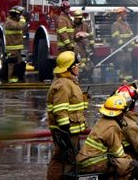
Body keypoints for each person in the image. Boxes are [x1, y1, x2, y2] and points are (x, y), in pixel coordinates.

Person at [46, 51, 88, 180]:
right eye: (76, 65)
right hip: (66, 131)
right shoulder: (63, 85)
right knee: (60, 160)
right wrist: (65, 129)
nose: (78, 68)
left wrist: (85, 99)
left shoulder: (69, 82)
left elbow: (74, 107)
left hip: (72, 130)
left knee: (69, 160)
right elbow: (60, 109)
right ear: (70, 67)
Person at [77, 93, 134, 179]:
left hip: (84, 161)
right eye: (123, 112)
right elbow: (118, 154)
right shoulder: (113, 126)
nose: (124, 115)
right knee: (127, 166)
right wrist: (132, 161)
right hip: (94, 164)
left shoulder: (102, 121)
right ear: (119, 113)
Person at [3, 5, 27, 82]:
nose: (20, 16)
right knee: (12, 64)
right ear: (15, 14)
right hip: (12, 48)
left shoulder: (14, 21)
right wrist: (22, 20)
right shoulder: (9, 22)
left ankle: (16, 79)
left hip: (17, 48)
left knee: (18, 64)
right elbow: (19, 26)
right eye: (20, 14)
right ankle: (12, 81)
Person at [111, 8, 136, 79]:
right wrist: (122, 45)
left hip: (127, 47)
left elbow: (131, 35)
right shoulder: (115, 24)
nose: (126, 16)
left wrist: (132, 44)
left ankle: (128, 78)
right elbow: (115, 36)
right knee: (122, 61)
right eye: (124, 14)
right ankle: (121, 78)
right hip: (120, 48)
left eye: (126, 14)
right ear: (119, 16)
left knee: (128, 61)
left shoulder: (126, 24)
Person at [72, 10, 94, 82]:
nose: (76, 20)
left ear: (81, 18)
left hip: (85, 46)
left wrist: (91, 44)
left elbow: (91, 35)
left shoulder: (85, 25)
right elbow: (71, 37)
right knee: (78, 61)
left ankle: (87, 76)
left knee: (88, 62)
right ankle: (79, 77)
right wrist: (76, 37)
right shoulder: (72, 26)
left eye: (78, 18)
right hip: (77, 45)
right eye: (75, 18)